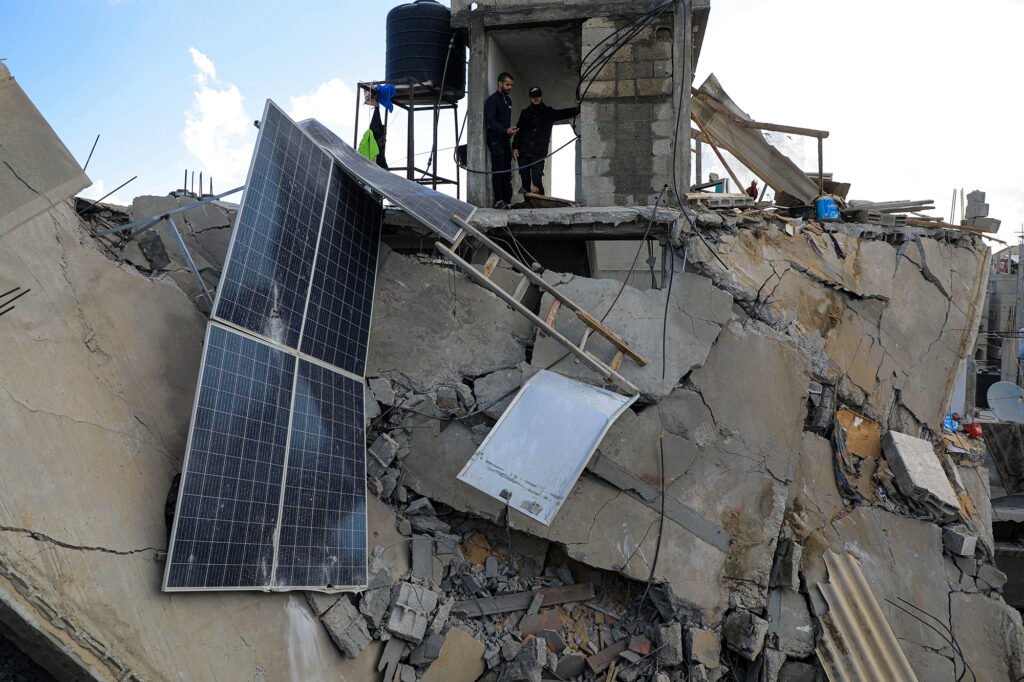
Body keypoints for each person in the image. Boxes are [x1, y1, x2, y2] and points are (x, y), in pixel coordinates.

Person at [512, 87, 579, 196]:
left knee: (536, 179)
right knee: (525, 179)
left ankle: (540, 204)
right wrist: (515, 147)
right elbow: (519, 131)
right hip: (523, 151)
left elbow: (564, 113)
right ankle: (528, 204)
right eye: (533, 97)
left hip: (538, 152)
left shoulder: (549, 112)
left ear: (541, 96)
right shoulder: (525, 113)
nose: (536, 99)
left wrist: (579, 108)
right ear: (530, 98)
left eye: (538, 96)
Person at [484, 72, 517, 208]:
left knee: (507, 170)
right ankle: (498, 200)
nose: (509, 87)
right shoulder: (492, 100)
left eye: (511, 85)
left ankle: (507, 201)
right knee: (498, 169)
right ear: (500, 84)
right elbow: (490, 121)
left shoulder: (508, 101)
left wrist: (510, 132)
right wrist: (505, 131)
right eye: (507, 84)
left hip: (505, 139)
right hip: (495, 139)